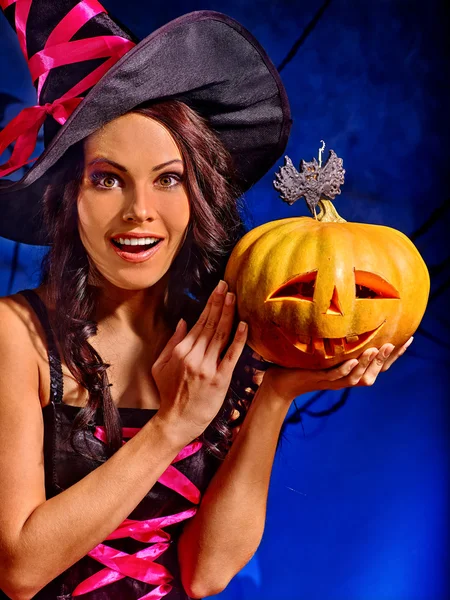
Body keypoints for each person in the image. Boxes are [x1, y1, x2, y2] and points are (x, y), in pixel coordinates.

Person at [0, 1, 413, 599]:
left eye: (167, 179)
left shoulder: (217, 334)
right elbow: (19, 570)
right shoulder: (18, 336)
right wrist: (171, 427)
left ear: (197, 195)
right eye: (107, 178)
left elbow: (205, 573)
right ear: (69, 201)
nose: (140, 209)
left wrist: (273, 396)